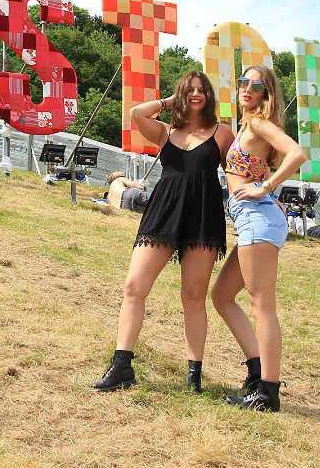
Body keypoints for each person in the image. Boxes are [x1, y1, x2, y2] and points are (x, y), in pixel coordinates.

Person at [91, 71, 234, 393]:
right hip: (164, 212)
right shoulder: (166, 131)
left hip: (203, 216)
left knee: (194, 297)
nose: (196, 95)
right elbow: (135, 113)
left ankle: (194, 375)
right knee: (133, 287)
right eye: (190, 90)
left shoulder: (222, 133)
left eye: (202, 91)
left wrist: (264, 196)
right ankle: (121, 366)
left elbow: (237, 171)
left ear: (210, 96)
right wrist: (172, 102)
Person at [211, 65, 306, 412]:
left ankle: (268, 391)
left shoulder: (257, 123)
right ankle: (256, 371)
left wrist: (265, 189)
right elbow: (256, 166)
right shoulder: (246, 127)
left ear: (266, 94)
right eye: (243, 83)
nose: (247, 89)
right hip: (255, 219)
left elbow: (297, 154)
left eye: (257, 86)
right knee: (221, 296)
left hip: (256, 219)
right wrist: (266, 189)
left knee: (262, 307)